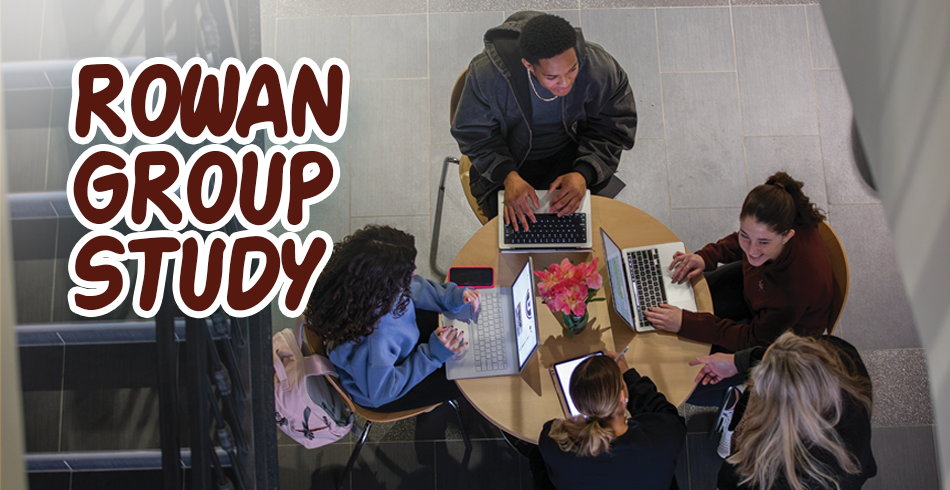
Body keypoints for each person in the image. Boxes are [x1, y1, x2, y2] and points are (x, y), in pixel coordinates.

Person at [451, 11, 637, 231]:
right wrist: (508, 176)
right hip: (508, 159)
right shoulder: (487, 75)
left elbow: (614, 126)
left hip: (573, 154)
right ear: (528, 65)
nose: (565, 84)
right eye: (552, 77)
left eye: (572, 70)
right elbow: (474, 136)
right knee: (517, 237)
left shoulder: (600, 67)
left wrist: (584, 173)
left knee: (582, 233)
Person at [643, 171, 833, 352]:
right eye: (745, 236)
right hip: (759, 289)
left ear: (787, 235)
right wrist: (706, 256)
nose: (750, 251)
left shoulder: (795, 291)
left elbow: (751, 341)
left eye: (763, 242)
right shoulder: (781, 219)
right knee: (685, 295)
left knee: (687, 350)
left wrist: (685, 323)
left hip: (778, 340)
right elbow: (744, 241)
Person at [303, 225, 480, 412]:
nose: (415, 271)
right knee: (468, 376)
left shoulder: (362, 285)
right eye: (407, 272)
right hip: (386, 388)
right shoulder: (375, 340)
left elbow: (414, 287)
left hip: (395, 348)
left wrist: (450, 297)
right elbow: (382, 392)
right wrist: (432, 355)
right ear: (387, 287)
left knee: (462, 344)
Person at [692, 332, 876, 490]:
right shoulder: (841, 355)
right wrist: (737, 361)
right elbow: (788, 356)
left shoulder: (758, 476)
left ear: (773, 414)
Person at [532, 353, 686, 490]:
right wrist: (629, 376)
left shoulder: (558, 445)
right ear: (621, 396)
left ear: (578, 406)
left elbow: (548, 430)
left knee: (535, 454)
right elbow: (666, 412)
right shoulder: (665, 436)